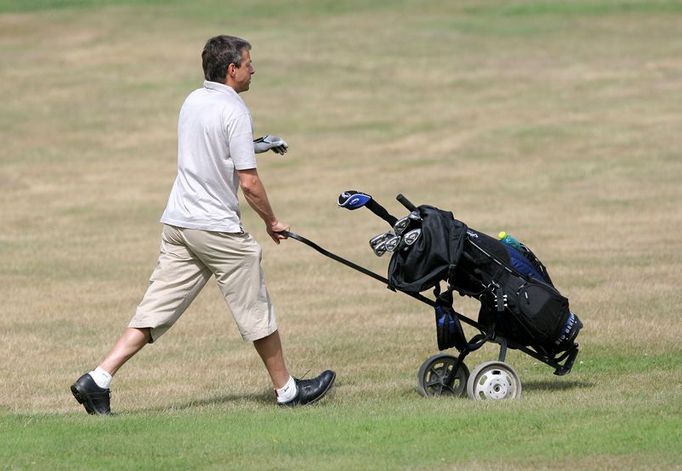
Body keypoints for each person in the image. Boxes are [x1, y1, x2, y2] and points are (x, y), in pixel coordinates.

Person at [70, 35, 335, 415]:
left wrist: (258, 143)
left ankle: (98, 379)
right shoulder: (236, 110)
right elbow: (249, 183)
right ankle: (288, 390)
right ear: (232, 70)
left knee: (157, 308)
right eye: (248, 63)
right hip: (215, 228)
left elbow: (212, 143)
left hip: (179, 223)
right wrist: (272, 222)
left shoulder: (193, 100)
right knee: (254, 306)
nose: (253, 69)